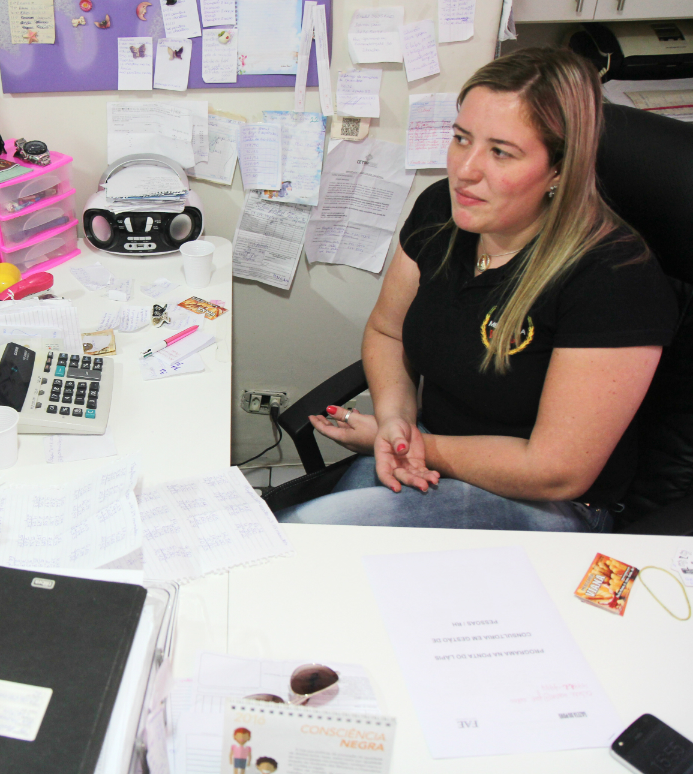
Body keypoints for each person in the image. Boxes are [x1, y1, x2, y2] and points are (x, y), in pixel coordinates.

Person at [278, 47, 677, 532]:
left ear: (560, 169)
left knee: (312, 538)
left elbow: (557, 472)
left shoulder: (614, 276)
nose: (465, 170)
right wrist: (395, 419)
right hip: (431, 452)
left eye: (500, 152)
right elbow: (387, 332)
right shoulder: (442, 211)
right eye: (461, 139)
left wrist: (417, 446)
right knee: (288, 537)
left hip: (548, 502)